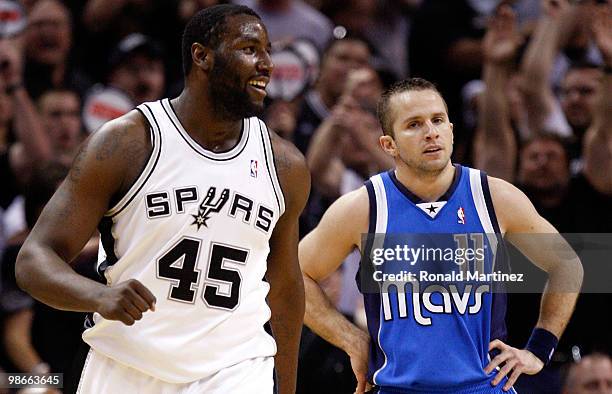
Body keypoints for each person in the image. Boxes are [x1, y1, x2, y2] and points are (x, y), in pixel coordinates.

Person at [15, 4, 309, 394]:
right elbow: (33, 259)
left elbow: (286, 287)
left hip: (235, 368)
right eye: (250, 49)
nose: (267, 64)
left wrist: (286, 388)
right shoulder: (127, 143)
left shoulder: (284, 164)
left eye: (268, 51)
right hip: (125, 363)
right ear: (201, 55)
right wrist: (99, 296)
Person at [299, 78, 583, 393]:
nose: (430, 131)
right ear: (388, 145)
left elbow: (567, 263)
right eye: (414, 124)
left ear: (450, 128)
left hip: (484, 386)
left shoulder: (493, 197)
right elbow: (296, 274)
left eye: (437, 120)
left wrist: (538, 350)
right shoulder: (363, 207)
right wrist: (349, 338)